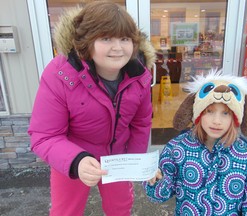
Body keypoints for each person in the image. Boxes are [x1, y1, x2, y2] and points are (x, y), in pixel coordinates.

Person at [28, 1, 156, 216]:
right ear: (87, 41)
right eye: (106, 38)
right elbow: (44, 135)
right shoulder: (60, 74)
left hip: (118, 157)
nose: (117, 48)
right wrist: (76, 161)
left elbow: (140, 122)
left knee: (121, 209)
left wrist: (136, 161)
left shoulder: (139, 75)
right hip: (73, 155)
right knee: (65, 211)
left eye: (124, 39)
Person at [143, 71, 247, 215]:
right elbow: (159, 195)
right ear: (198, 112)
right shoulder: (177, 149)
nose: (216, 121)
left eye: (225, 113)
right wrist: (155, 179)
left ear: (235, 118)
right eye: (209, 111)